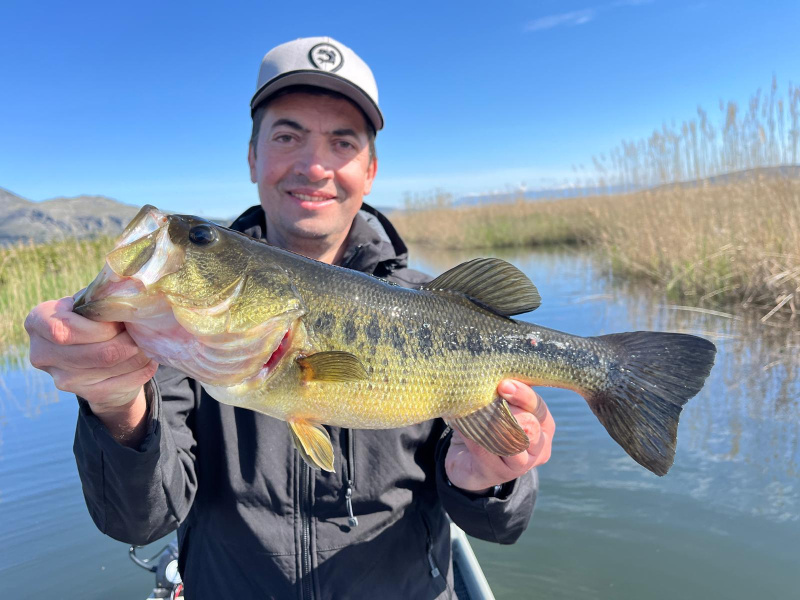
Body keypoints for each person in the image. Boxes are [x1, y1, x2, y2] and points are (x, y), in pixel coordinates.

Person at [25, 37, 556, 599]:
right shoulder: (181, 329)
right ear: (252, 157)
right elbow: (140, 521)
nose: (314, 166)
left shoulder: (433, 308)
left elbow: (500, 526)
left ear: (370, 170)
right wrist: (115, 406)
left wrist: (491, 482)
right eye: (287, 136)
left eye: (342, 142)